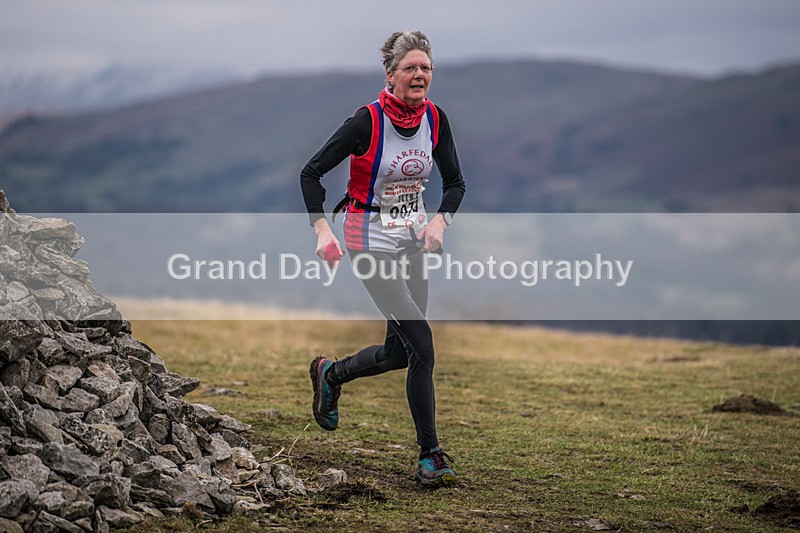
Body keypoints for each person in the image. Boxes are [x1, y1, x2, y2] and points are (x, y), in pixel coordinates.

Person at [300, 30, 465, 487]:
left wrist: (439, 223)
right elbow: (311, 172)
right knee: (423, 346)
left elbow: (455, 185)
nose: (420, 75)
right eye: (410, 68)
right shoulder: (366, 122)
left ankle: (332, 374)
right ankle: (430, 456)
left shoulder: (435, 119)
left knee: (400, 352)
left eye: (426, 68)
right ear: (391, 76)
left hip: (412, 238)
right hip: (367, 239)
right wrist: (321, 230)